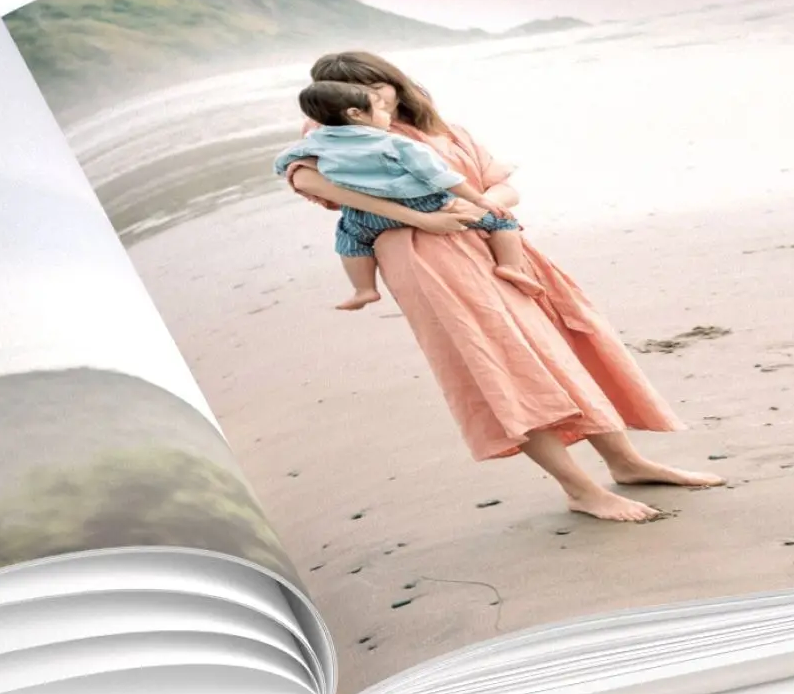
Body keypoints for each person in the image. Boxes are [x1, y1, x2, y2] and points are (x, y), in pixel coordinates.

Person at [282, 50, 725, 523]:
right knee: (498, 364)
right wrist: (418, 217)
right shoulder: (336, 132)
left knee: (556, 349)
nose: (369, 97)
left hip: (491, 241)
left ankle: (626, 462)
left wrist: (481, 208)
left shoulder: (442, 129)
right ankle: (579, 488)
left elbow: (503, 188)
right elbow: (309, 179)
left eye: (375, 85)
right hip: (425, 257)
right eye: (355, 92)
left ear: (393, 81)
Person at [275, 79, 544, 309]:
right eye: (381, 109)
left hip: (366, 217)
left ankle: (364, 289)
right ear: (356, 113)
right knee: (502, 221)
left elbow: (284, 161)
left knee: (349, 240)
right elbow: (440, 176)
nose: (387, 115)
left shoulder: (315, 142)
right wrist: (478, 199)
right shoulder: (395, 143)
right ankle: (510, 266)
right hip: (423, 205)